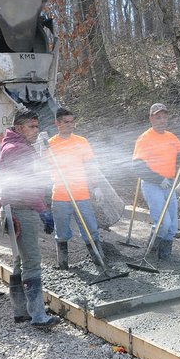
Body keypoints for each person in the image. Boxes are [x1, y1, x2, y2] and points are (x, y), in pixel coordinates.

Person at [0, 109, 60, 329]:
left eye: (37, 126)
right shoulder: (18, 149)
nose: (36, 130)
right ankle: (38, 316)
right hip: (23, 210)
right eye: (31, 127)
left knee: (18, 261)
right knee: (32, 262)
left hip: (12, 209)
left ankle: (21, 310)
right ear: (18, 128)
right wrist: (43, 209)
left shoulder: (11, 146)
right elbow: (27, 186)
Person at [48, 107, 105, 269]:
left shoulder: (81, 142)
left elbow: (91, 166)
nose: (70, 125)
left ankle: (100, 261)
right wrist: (41, 148)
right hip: (60, 196)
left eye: (72, 122)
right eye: (66, 122)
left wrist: (96, 187)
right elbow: (41, 167)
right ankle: (63, 265)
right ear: (57, 123)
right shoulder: (50, 144)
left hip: (81, 195)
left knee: (91, 229)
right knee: (62, 232)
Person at [132, 103, 180, 260]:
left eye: (164, 117)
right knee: (163, 223)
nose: (162, 120)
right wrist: (158, 178)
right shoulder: (144, 138)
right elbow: (137, 167)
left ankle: (164, 258)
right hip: (152, 185)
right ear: (151, 119)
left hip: (168, 184)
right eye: (158, 117)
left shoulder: (171, 137)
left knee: (173, 226)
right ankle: (149, 255)